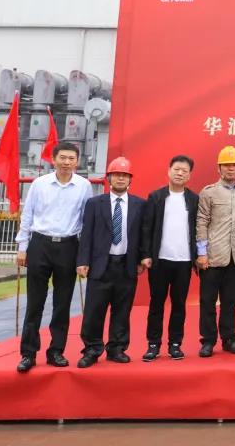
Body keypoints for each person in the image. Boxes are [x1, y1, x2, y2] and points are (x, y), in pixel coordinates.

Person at [15, 142, 92, 373]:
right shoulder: (39, 184)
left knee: (62, 303)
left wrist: (83, 256)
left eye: (71, 158)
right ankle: (28, 353)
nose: (66, 162)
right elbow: (27, 215)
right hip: (40, 244)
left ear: (77, 161)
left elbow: (86, 221)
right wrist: (22, 247)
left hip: (68, 246)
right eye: (63, 158)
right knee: (35, 302)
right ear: (54, 159)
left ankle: (56, 351)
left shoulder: (84, 186)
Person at [76, 157, 147, 367]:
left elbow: (143, 235)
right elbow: (86, 234)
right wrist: (83, 260)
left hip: (126, 265)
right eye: (116, 175)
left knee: (122, 310)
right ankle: (91, 349)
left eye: (125, 175)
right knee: (94, 311)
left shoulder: (140, 204)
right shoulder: (94, 204)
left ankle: (116, 349)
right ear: (109, 178)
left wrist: (142, 258)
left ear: (130, 179)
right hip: (101, 265)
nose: (120, 179)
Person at [141, 154, 199, 362]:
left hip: (184, 261)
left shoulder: (193, 199)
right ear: (169, 171)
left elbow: (198, 229)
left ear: (189, 175)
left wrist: (198, 256)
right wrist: (146, 255)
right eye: (176, 169)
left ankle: (175, 344)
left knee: (179, 304)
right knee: (156, 303)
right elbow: (146, 228)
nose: (180, 173)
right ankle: (153, 344)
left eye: (184, 171)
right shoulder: (156, 197)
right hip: (160, 260)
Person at [195, 145, 235, 357]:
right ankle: (208, 341)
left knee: (230, 302)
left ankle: (229, 339)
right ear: (219, 168)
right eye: (226, 165)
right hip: (212, 257)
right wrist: (201, 253)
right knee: (207, 301)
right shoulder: (208, 192)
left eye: (234, 164)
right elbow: (201, 222)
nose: (230, 168)